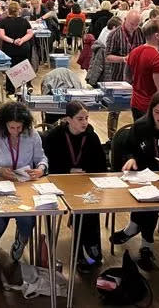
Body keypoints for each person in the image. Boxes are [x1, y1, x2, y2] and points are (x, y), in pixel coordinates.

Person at [112, 92, 159, 270]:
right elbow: (128, 149)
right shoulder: (140, 127)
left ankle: (134, 228)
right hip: (141, 175)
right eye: (157, 112)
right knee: (148, 199)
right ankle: (146, 244)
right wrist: (130, 159)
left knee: (155, 199)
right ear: (151, 111)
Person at [0, 102, 48, 263]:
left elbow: (41, 158)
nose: (16, 131)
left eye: (19, 127)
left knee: (27, 221)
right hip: (0, 187)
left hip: (25, 186)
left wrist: (41, 169)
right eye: (12, 128)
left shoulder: (32, 135)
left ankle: (21, 240)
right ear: (4, 125)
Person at [42, 101, 107, 270]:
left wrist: (86, 171)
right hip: (59, 182)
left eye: (86, 118)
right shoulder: (54, 136)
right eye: (80, 119)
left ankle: (90, 253)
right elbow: (47, 165)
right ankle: (83, 253)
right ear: (68, 119)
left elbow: (101, 165)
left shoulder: (91, 137)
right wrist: (68, 170)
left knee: (90, 207)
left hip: (85, 183)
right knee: (81, 208)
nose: (84, 122)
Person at [105, 10, 145, 131]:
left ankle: (138, 135)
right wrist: (123, 59)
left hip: (136, 77)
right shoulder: (114, 35)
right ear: (125, 20)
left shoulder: (141, 33)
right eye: (131, 24)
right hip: (118, 75)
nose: (133, 27)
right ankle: (111, 138)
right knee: (114, 110)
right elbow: (108, 57)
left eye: (136, 24)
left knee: (138, 109)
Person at [126, 20, 159, 119]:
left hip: (135, 103)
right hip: (150, 107)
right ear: (157, 36)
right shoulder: (157, 58)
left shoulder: (134, 52)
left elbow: (128, 76)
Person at [0, 2, 34, 94]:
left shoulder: (4, 22)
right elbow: (30, 33)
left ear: (8, 10)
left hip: (10, 48)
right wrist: (21, 40)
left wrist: (13, 41)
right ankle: (27, 86)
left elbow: (1, 35)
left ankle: (10, 90)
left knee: (11, 68)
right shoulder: (24, 21)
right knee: (25, 66)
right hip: (23, 47)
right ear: (19, 10)